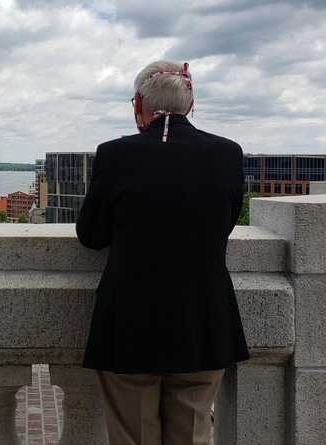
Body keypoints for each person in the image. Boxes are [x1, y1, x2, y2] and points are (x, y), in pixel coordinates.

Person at [76, 60, 249, 445]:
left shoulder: (114, 154)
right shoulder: (227, 153)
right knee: (192, 435)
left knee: (134, 436)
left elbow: (90, 235)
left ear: (139, 104)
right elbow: (226, 221)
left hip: (129, 325)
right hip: (203, 322)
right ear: (191, 104)